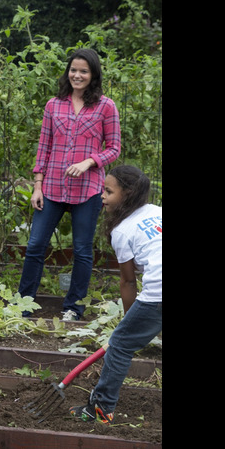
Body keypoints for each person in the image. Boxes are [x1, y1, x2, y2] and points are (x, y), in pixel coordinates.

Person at [19, 48, 121, 321]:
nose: (77, 75)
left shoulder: (106, 106)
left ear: (93, 75)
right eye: (73, 70)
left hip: (87, 190)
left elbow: (114, 148)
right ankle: (23, 305)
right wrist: (37, 185)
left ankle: (73, 308)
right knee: (35, 246)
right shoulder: (54, 105)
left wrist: (90, 162)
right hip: (51, 187)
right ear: (68, 72)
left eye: (84, 71)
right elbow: (44, 147)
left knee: (82, 251)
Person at [70, 165, 161, 423]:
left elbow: (128, 282)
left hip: (159, 292)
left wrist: (126, 325)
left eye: (108, 191)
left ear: (128, 194)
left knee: (120, 345)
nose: (102, 196)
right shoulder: (157, 212)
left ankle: (101, 408)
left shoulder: (122, 231)